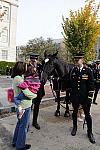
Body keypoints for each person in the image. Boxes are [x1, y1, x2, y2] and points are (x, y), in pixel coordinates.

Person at [69, 53, 95, 144]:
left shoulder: (88, 70)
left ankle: (90, 132)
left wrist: (89, 97)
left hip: (84, 98)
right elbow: (71, 84)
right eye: (75, 60)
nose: (76, 61)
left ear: (82, 60)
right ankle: (74, 127)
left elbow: (91, 84)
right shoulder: (73, 70)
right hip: (75, 97)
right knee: (75, 112)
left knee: (87, 115)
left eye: (78, 60)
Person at [11, 61, 37, 150]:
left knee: (19, 124)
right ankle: (20, 145)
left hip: (20, 105)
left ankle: (15, 142)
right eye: (25, 66)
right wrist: (35, 95)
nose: (26, 68)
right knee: (23, 126)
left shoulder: (17, 77)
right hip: (24, 105)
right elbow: (27, 93)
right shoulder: (19, 79)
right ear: (21, 68)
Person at [28, 52, 45, 130]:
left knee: (37, 106)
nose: (33, 61)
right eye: (32, 59)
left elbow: (44, 75)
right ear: (30, 59)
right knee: (29, 106)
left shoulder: (40, 66)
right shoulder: (27, 66)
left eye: (35, 59)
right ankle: (26, 122)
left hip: (39, 89)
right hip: (29, 89)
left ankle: (35, 121)